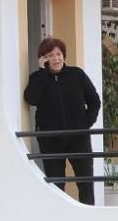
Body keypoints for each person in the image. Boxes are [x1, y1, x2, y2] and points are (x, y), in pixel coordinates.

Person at [23, 38, 101, 205]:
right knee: (56, 184)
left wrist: (84, 124)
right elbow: (32, 99)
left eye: (59, 54)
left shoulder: (77, 75)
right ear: (44, 59)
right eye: (51, 55)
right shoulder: (38, 78)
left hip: (78, 139)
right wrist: (42, 73)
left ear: (64, 56)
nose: (56, 58)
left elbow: (94, 101)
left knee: (85, 182)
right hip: (51, 141)